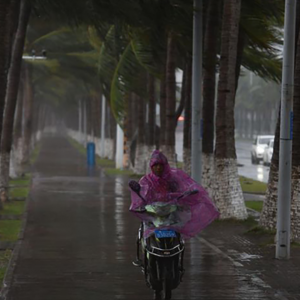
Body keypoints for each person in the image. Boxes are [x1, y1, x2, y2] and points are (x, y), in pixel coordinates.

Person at [130, 150, 220, 239]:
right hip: (154, 212)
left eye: (160, 165)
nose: (158, 168)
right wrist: (140, 203)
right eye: (155, 165)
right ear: (151, 167)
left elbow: (181, 190)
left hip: (171, 211)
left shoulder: (172, 179)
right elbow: (142, 193)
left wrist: (186, 195)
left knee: (180, 224)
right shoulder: (147, 180)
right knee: (146, 227)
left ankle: (179, 242)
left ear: (165, 166)